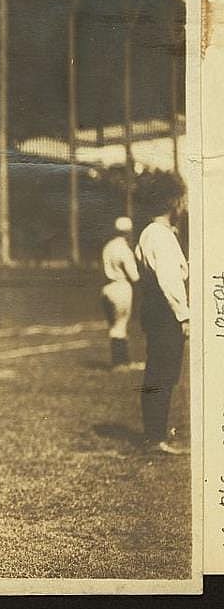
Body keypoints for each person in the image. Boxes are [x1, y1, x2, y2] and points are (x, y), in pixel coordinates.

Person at [134, 173, 189, 456]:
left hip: (156, 307)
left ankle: (155, 434)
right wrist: (183, 315)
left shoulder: (150, 233)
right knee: (163, 373)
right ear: (173, 202)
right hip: (165, 309)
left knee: (160, 372)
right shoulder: (160, 235)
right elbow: (169, 279)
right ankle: (155, 437)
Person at [100, 216, 140, 369]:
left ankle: (121, 362)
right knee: (121, 325)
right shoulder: (124, 249)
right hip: (121, 287)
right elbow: (134, 276)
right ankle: (120, 362)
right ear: (128, 232)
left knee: (114, 326)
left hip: (107, 288)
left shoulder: (108, 247)